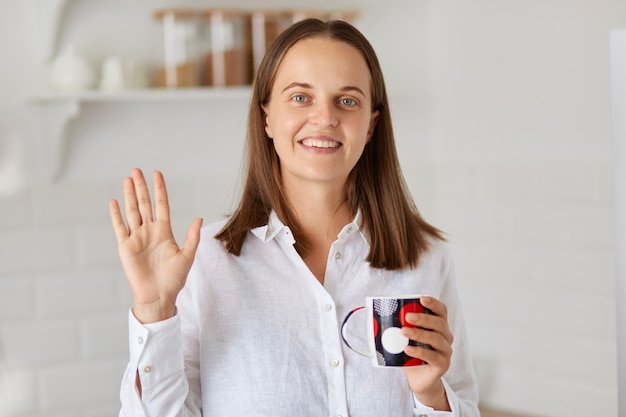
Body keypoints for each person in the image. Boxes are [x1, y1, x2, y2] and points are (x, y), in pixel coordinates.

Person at [109, 18, 480, 417]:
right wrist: (154, 310)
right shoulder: (206, 264)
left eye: (348, 100)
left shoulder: (426, 258)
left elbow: (464, 404)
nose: (325, 118)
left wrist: (431, 395)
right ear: (266, 115)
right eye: (301, 97)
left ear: (371, 125)